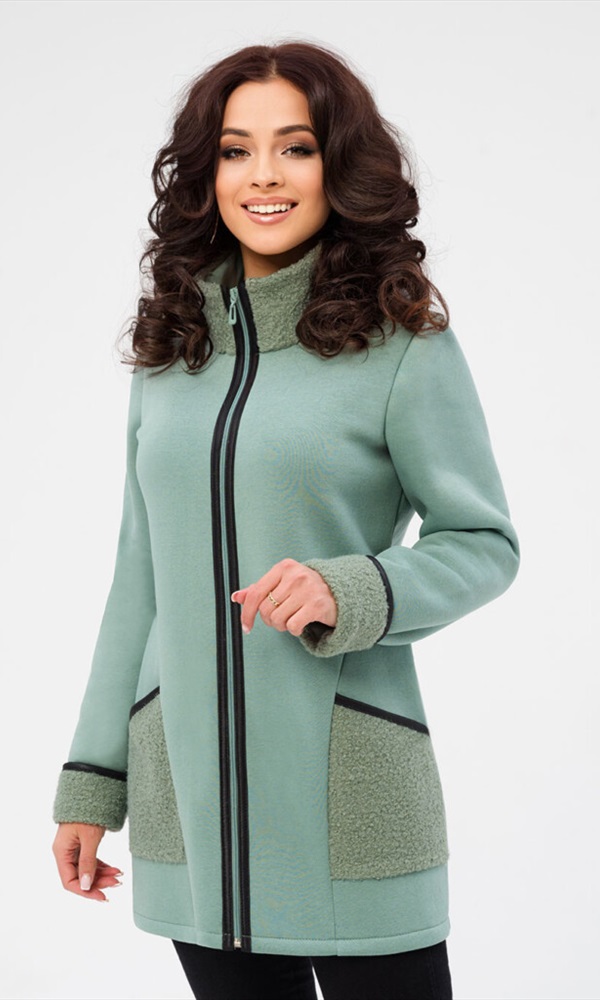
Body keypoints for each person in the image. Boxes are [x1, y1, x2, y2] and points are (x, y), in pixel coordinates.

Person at [51, 40, 520, 1000]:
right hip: (191, 802)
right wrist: (93, 781)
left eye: (295, 147)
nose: (263, 175)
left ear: (338, 165)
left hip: (348, 797)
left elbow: (484, 544)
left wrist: (357, 587)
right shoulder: (170, 355)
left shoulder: (401, 344)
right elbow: (138, 578)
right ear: (206, 174)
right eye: (236, 150)